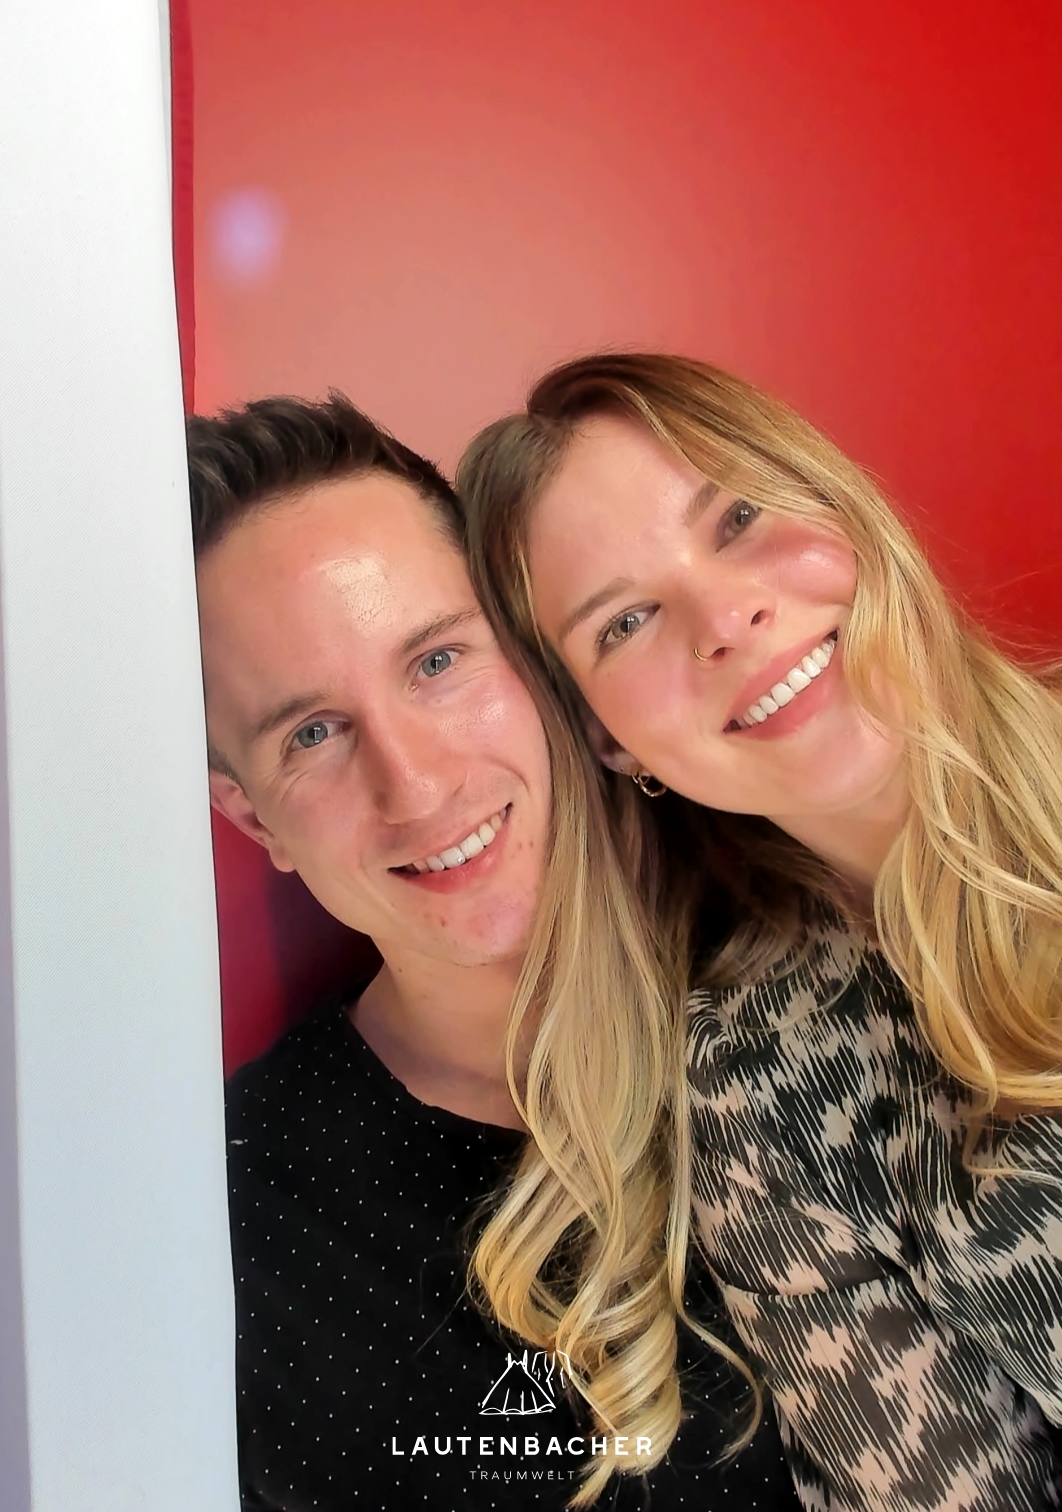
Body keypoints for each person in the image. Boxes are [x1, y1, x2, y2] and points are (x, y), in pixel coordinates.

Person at [456, 352, 1062, 1512]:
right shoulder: (756, 1087)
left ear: (838, 501)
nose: (726, 617)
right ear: (611, 742)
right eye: (626, 620)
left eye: (738, 517)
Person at [186, 392, 801, 1511]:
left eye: (436, 662)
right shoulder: (225, 1210)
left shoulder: (819, 982)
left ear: (533, 655)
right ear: (251, 815)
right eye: (311, 734)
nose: (415, 783)